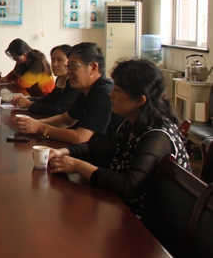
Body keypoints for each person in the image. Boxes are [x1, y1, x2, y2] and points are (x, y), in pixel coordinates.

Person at [48, 58, 190, 217]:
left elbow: (129, 185)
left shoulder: (157, 136)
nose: (111, 94)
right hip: (124, 210)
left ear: (139, 100)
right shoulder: (130, 124)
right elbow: (95, 148)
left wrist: (78, 165)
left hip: (149, 222)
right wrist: (62, 152)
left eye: (117, 90)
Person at [15, 42, 123, 144]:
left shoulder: (103, 93)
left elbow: (81, 137)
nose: (69, 71)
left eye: (74, 66)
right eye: (68, 66)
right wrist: (33, 123)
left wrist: (40, 128)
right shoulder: (85, 90)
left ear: (93, 68)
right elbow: (65, 120)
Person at [11, 44, 81, 116]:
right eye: (52, 60)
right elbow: (49, 99)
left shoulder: (75, 83)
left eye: (59, 60)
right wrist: (27, 99)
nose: (54, 64)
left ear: (70, 62)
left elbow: (58, 110)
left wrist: (29, 105)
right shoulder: (60, 79)